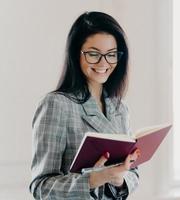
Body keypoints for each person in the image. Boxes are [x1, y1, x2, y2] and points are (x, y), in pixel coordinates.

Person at [29, 11, 140, 200]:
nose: (104, 63)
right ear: (76, 54)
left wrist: (119, 180)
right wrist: (92, 180)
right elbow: (41, 187)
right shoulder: (56, 105)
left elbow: (133, 173)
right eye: (93, 54)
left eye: (111, 54)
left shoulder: (120, 108)